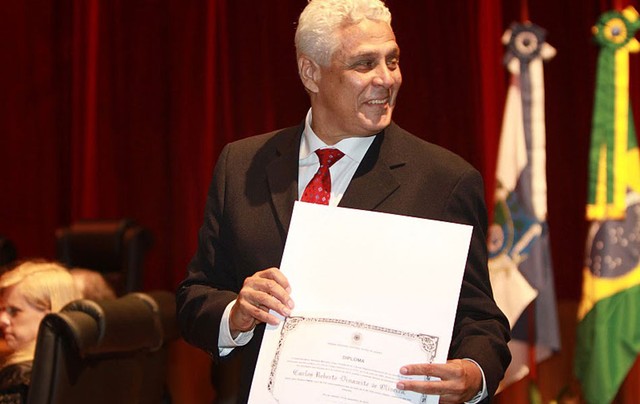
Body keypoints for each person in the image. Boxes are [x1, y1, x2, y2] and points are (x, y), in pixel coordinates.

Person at [176, 0, 511, 403]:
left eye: (392, 60)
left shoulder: (444, 181)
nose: (387, 79)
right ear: (310, 72)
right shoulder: (243, 165)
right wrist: (236, 313)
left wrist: (473, 374)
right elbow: (195, 297)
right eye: (364, 64)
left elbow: (480, 319)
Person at [0, 260, 80, 397]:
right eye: (2, 309)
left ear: (50, 316)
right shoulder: (89, 363)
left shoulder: (19, 375)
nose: (2, 320)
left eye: (14, 311)